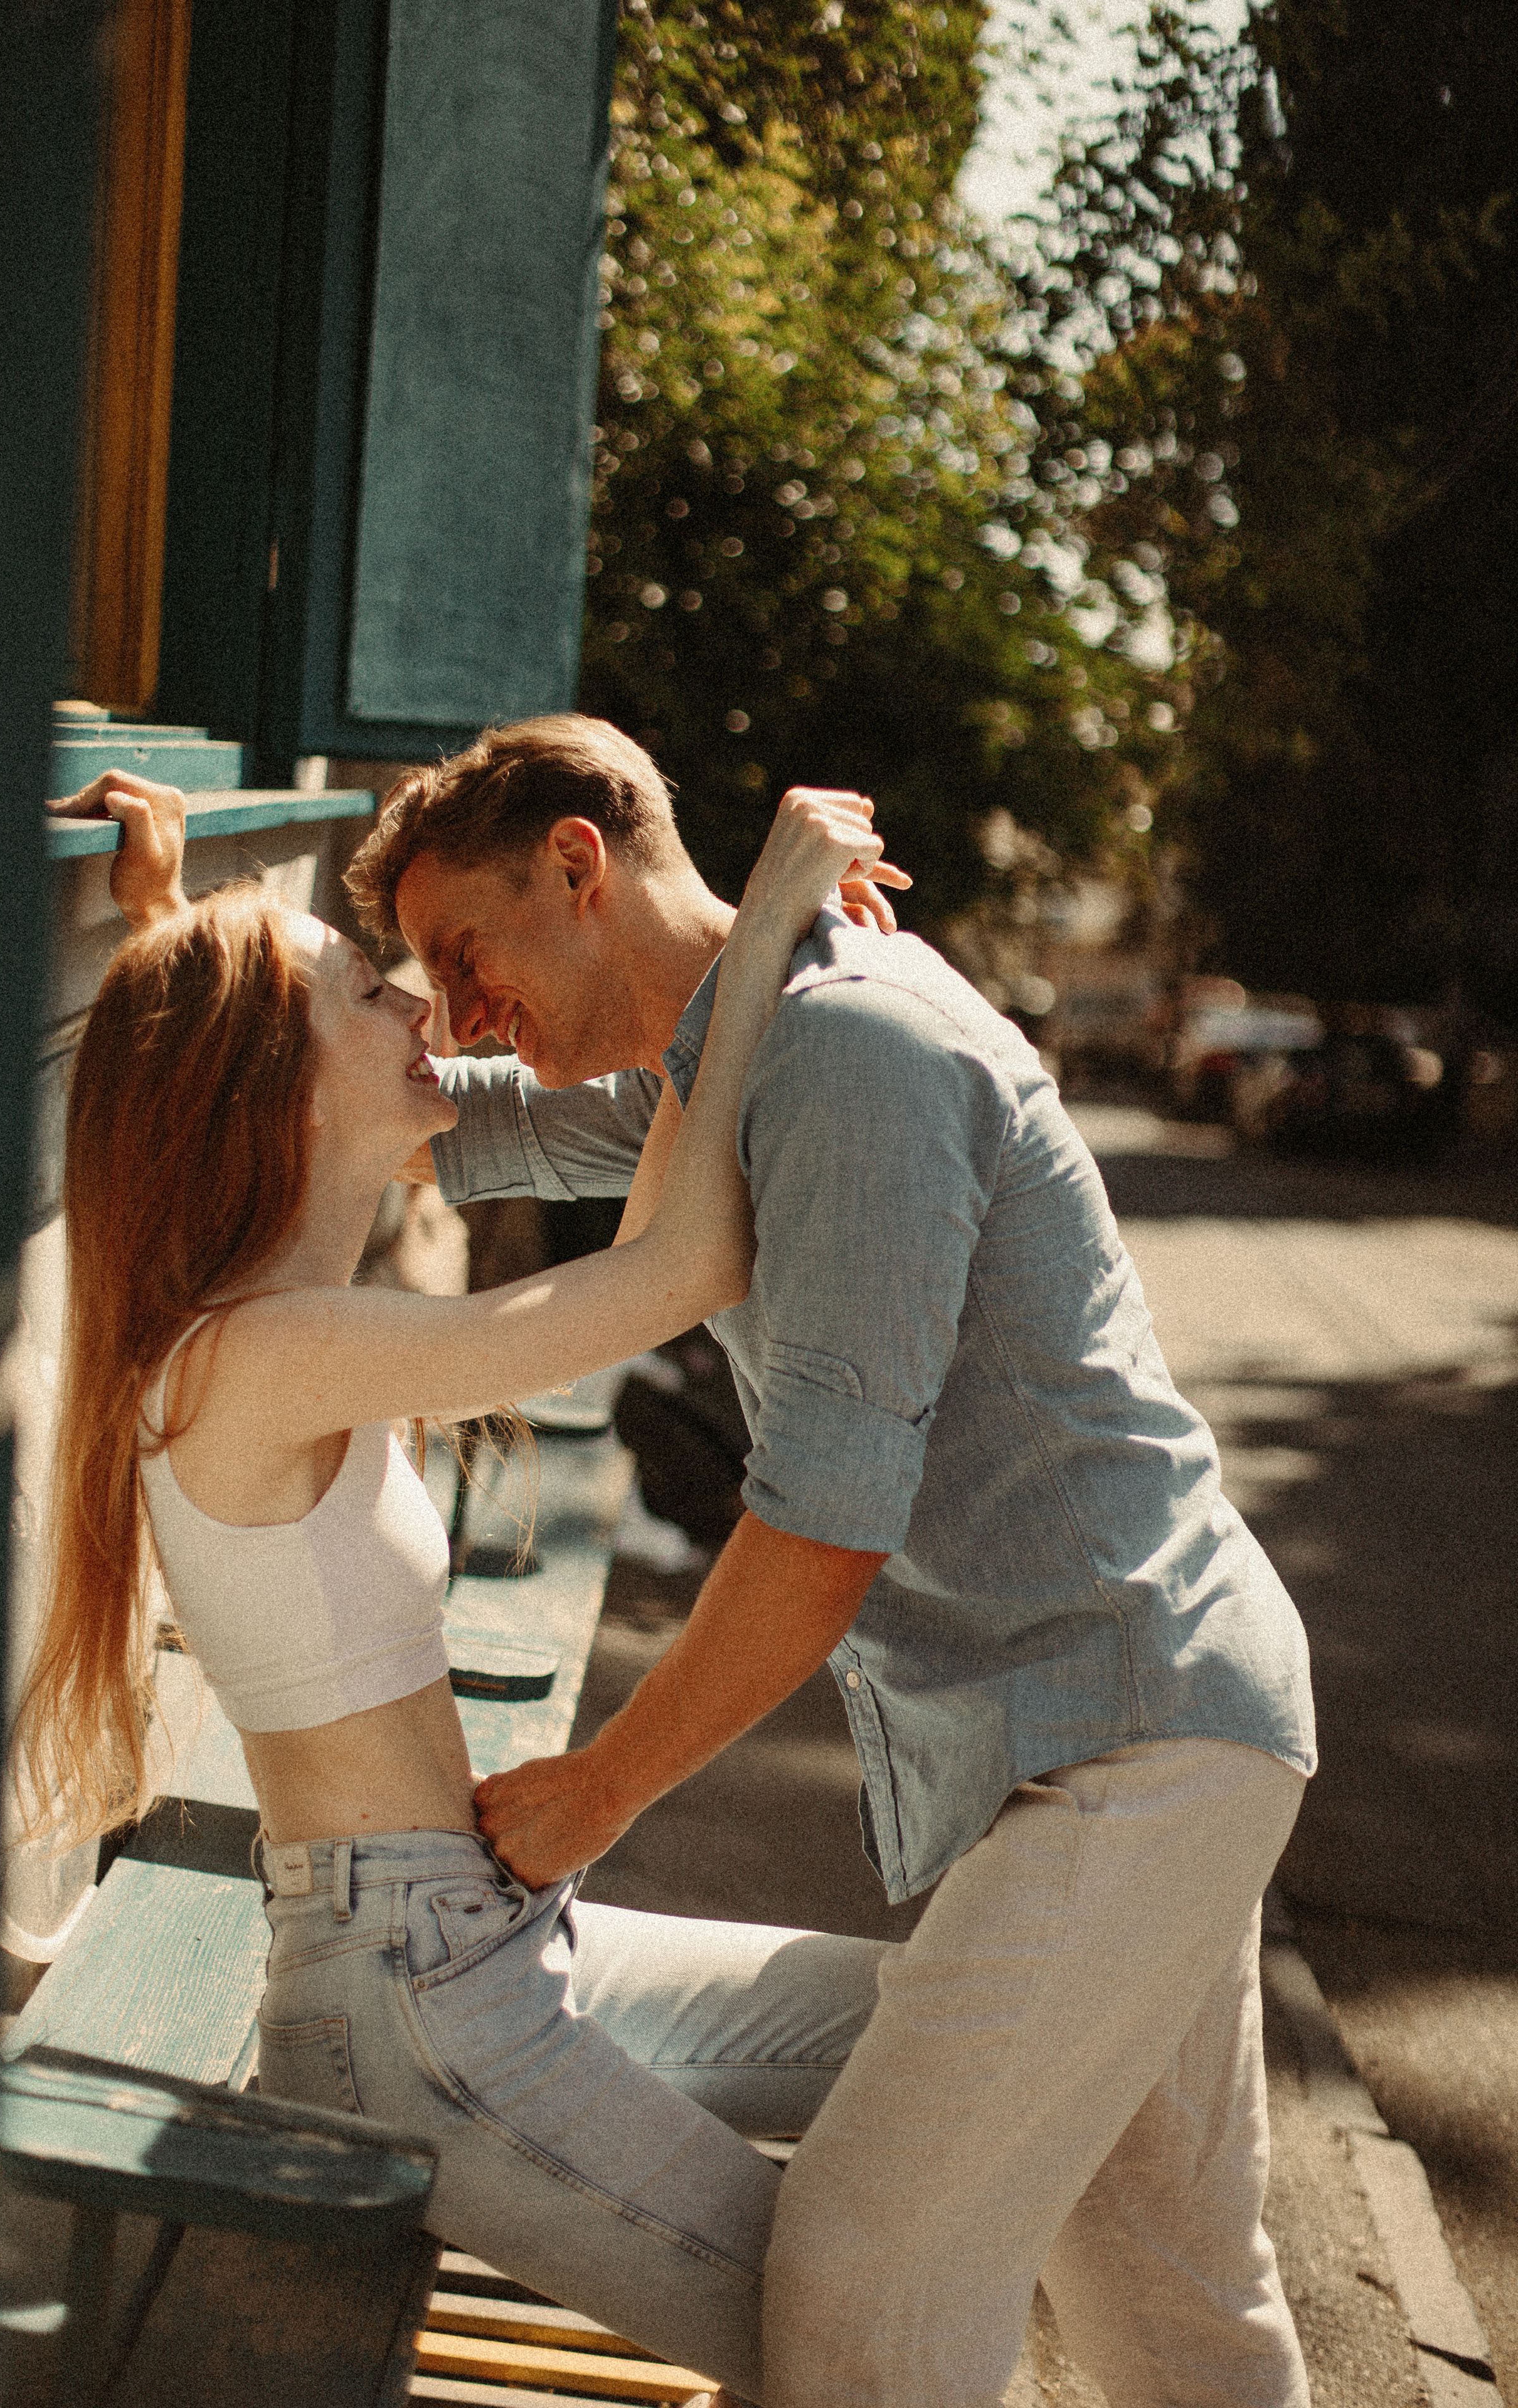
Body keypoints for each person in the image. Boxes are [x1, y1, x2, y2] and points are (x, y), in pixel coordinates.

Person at [338, 714, 1319, 2408]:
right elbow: (474, 1128)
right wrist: (204, 985)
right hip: (1123, 1721)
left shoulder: (845, 1051)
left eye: (461, 955)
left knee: (862, 2285)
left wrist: (598, 1792)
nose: (456, 1006)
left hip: (1134, 1736)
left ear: (579, 866)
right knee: (1179, 2313)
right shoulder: (704, 1067)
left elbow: (822, 1534)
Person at [15, 783, 906, 2408]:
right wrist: (766, 915)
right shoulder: (257, 1358)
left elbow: (227, 1063)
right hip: (409, 2007)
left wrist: (165, 918)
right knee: (865, 2337)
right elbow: (676, 1272)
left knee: (949, 2037)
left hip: (478, 1937)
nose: (418, 998)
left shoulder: (275, 1317)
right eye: (368, 990)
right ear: (280, 1085)